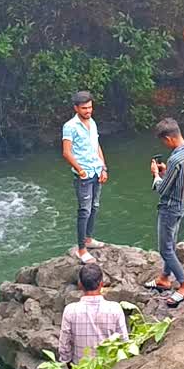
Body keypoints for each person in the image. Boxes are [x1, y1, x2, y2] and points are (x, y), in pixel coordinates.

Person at [146, 118, 184, 308]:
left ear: (169, 138)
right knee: (171, 243)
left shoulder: (175, 159)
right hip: (183, 204)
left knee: (165, 249)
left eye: (164, 141)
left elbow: (161, 189)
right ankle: (164, 278)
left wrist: (156, 174)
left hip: (169, 207)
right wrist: (168, 172)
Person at [61, 91, 109, 264]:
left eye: (90, 107)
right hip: (83, 174)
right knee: (84, 211)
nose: (88, 111)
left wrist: (103, 167)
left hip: (96, 170)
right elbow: (66, 152)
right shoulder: (70, 126)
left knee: (94, 206)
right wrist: (79, 169)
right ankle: (81, 249)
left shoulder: (93, 123)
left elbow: (97, 146)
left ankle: (89, 239)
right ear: (76, 108)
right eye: (84, 108)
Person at [58, 263, 129, 364]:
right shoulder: (115, 309)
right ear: (101, 284)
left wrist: (68, 365)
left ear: (80, 285)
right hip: (109, 368)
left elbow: (64, 346)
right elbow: (124, 342)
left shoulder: (70, 311)